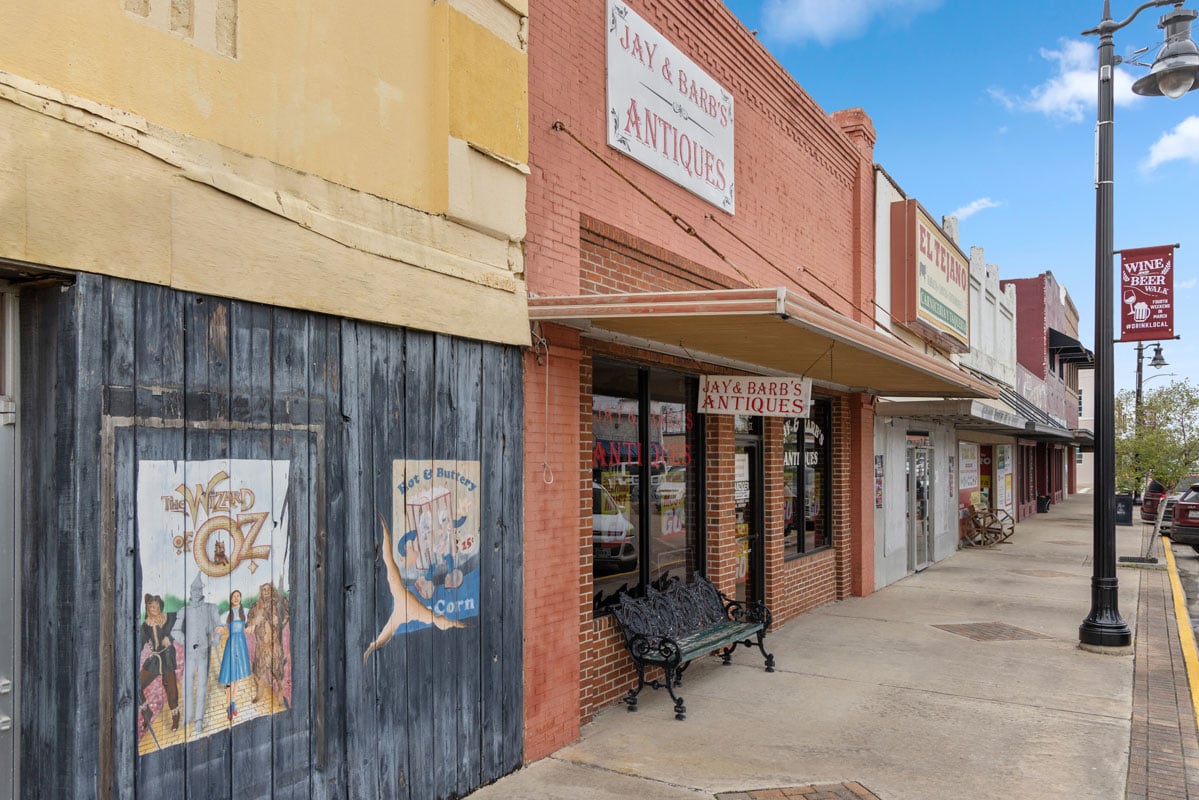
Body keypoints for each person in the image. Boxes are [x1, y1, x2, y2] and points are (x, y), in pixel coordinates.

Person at [172, 574, 221, 734]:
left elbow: (218, 626)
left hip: (204, 653)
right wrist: (185, 640)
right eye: (193, 590)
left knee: (202, 685)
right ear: (190, 592)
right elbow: (175, 630)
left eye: (198, 590)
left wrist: (216, 638)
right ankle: (188, 715)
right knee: (187, 683)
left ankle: (199, 720)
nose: (195, 593)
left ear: (202, 592)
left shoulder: (210, 608)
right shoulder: (184, 610)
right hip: (190, 653)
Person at [138, 593, 181, 732]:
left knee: (171, 688)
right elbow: (139, 644)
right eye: (150, 606)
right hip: (155, 659)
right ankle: (147, 713)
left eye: (155, 605)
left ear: (160, 606)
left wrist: (170, 637)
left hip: (167, 656)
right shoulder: (146, 626)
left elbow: (182, 623)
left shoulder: (170, 617)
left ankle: (175, 717)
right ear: (148, 608)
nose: (153, 607)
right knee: (136, 685)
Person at [217, 590, 252, 721]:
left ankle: (233, 703)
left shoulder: (247, 612)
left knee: (236, 678)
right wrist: (217, 629)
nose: (236, 598)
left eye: (238, 596)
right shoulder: (226, 614)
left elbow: (253, 623)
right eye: (234, 596)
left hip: (241, 645)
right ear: (230, 599)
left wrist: (251, 626)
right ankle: (229, 704)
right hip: (231, 645)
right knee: (230, 677)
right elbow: (218, 627)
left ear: (241, 598)